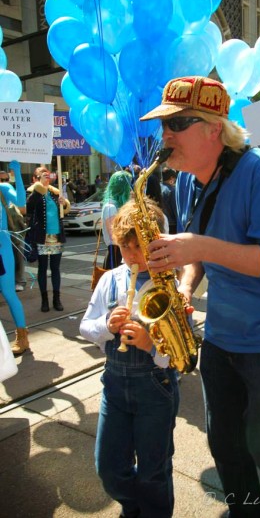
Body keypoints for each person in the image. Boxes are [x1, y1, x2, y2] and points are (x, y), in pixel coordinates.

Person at [140, 75, 260, 518]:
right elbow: (197, 257)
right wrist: (182, 287)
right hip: (222, 336)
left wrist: (197, 247)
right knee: (224, 444)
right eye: (163, 125)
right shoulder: (186, 180)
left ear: (213, 128)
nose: (164, 135)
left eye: (176, 123)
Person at [80, 196, 179, 518]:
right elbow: (86, 326)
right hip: (114, 385)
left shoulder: (170, 285)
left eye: (140, 248)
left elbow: (180, 356)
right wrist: (107, 327)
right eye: (125, 248)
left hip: (156, 386)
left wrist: (151, 344)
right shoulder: (110, 279)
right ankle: (132, 507)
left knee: (154, 471)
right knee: (109, 468)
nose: (132, 257)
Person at [27, 166, 71, 313]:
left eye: (47, 175)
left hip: (56, 236)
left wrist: (64, 203)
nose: (46, 177)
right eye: (42, 175)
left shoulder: (54, 192)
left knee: (55, 269)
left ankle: (56, 298)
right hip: (42, 237)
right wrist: (39, 188)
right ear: (36, 178)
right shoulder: (34, 193)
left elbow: (64, 210)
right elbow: (28, 207)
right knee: (42, 269)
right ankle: (44, 299)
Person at [0, 161, 29, 355]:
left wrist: (17, 173)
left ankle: (22, 337)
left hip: (2, 250)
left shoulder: (2, 188)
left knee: (9, 293)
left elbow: (21, 202)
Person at [0, 169, 27, 292]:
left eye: (7, 179)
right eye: (2, 180)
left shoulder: (6, 189)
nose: (5, 182)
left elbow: (22, 206)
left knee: (17, 253)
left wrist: (17, 172)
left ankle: (19, 280)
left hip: (13, 228)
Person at [101, 170, 132, 269]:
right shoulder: (111, 207)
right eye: (129, 186)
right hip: (115, 255)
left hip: (121, 252)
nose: (131, 190)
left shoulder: (117, 205)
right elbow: (114, 235)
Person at [161, 167, 178, 234]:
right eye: (174, 179)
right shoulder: (171, 190)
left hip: (161, 222)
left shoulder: (158, 187)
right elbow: (175, 209)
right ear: (171, 178)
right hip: (172, 224)